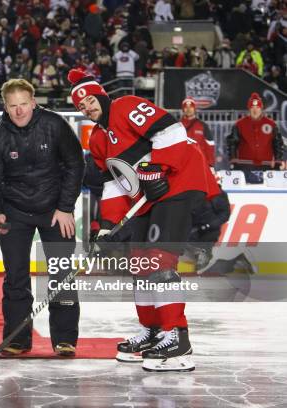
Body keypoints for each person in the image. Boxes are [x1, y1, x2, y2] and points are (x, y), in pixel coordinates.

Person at [67, 68, 214, 371]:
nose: (87, 108)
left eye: (90, 101)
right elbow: (112, 185)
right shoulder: (97, 140)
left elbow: (171, 130)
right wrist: (107, 225)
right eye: (81, 106)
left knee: (159, 261)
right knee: (140, 263)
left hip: (179, 183)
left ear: (100, 95)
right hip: (146, 199)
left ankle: (178, 339)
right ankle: (154, 331)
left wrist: (157, 168)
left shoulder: (126, 105)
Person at [0, 78, 84, 357]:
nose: (19, 111)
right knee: (15, 277)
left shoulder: (55, 125)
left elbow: (76, 164)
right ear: (5, 106)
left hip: (55, 212)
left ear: (33, 101)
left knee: (62, 274)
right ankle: (17, 339)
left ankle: (65, 339)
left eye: (23, 104)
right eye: (12, 106)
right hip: (15, 213)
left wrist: (65, 207)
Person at [227, 92, 284, 173]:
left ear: (261, 108)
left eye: (257, 107)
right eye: (252, 107)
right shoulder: (239, 124)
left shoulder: (271, 124)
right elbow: (232, 143)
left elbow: (277, 144)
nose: (255, 110)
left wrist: (278, 161)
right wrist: (233, 160)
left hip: (266, 166)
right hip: (245, 166)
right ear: (249, 109)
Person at [180, 98, 215, 168]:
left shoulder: (203, 125)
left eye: (191, 107)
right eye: (186, 107)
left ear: (194, 109)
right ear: (183, 109)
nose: (188, 109)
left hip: (199, 162)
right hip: (182, 163)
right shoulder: (177, 126)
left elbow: (210, 145)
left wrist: (210, 164)